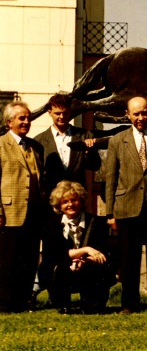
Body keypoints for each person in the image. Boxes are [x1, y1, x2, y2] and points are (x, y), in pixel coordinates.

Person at [33, 94, 100, 305]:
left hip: (75, 202)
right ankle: (56, 294)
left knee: (78, 242)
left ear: (70, 112)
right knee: (53, 250)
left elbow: (95, 166)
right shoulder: (40, 140)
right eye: (57, 113)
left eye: (65, 113)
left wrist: (90, 151)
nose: (61, 117)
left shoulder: (83, 135)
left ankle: (86, 292)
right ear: (50, 113)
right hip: (52, 206)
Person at [105, 96, 147, 314]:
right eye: (136, 114)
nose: (140, 118)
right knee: (128, 257)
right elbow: (111, 178)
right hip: (127, 206)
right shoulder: (117, 140)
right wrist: (110, 212)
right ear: (128, 115)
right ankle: (129, 302)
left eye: (144, 113)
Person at [0, 101, 44, 313]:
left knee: (29, 258)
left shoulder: (35, 147)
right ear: (9, 122)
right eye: (21, 118)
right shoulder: (1, 145)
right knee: (8, 259)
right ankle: (5, 303)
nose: (27, 121)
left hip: (33, 212)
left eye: (28, 118)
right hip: (10, 212)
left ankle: (23, 301)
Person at [44, 181, 114, 314]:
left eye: (73, 200)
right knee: (55, 267)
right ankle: (63, 305)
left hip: (89, 265)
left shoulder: (96, 222)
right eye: (65, 202)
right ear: (59, 205)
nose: (70, 204)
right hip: (64, 266)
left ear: (81, 201)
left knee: (99, 266)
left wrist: (85, 261)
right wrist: (86, 250)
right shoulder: (53, 224)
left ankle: (92, 303)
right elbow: (56, 253)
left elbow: (102, 252)